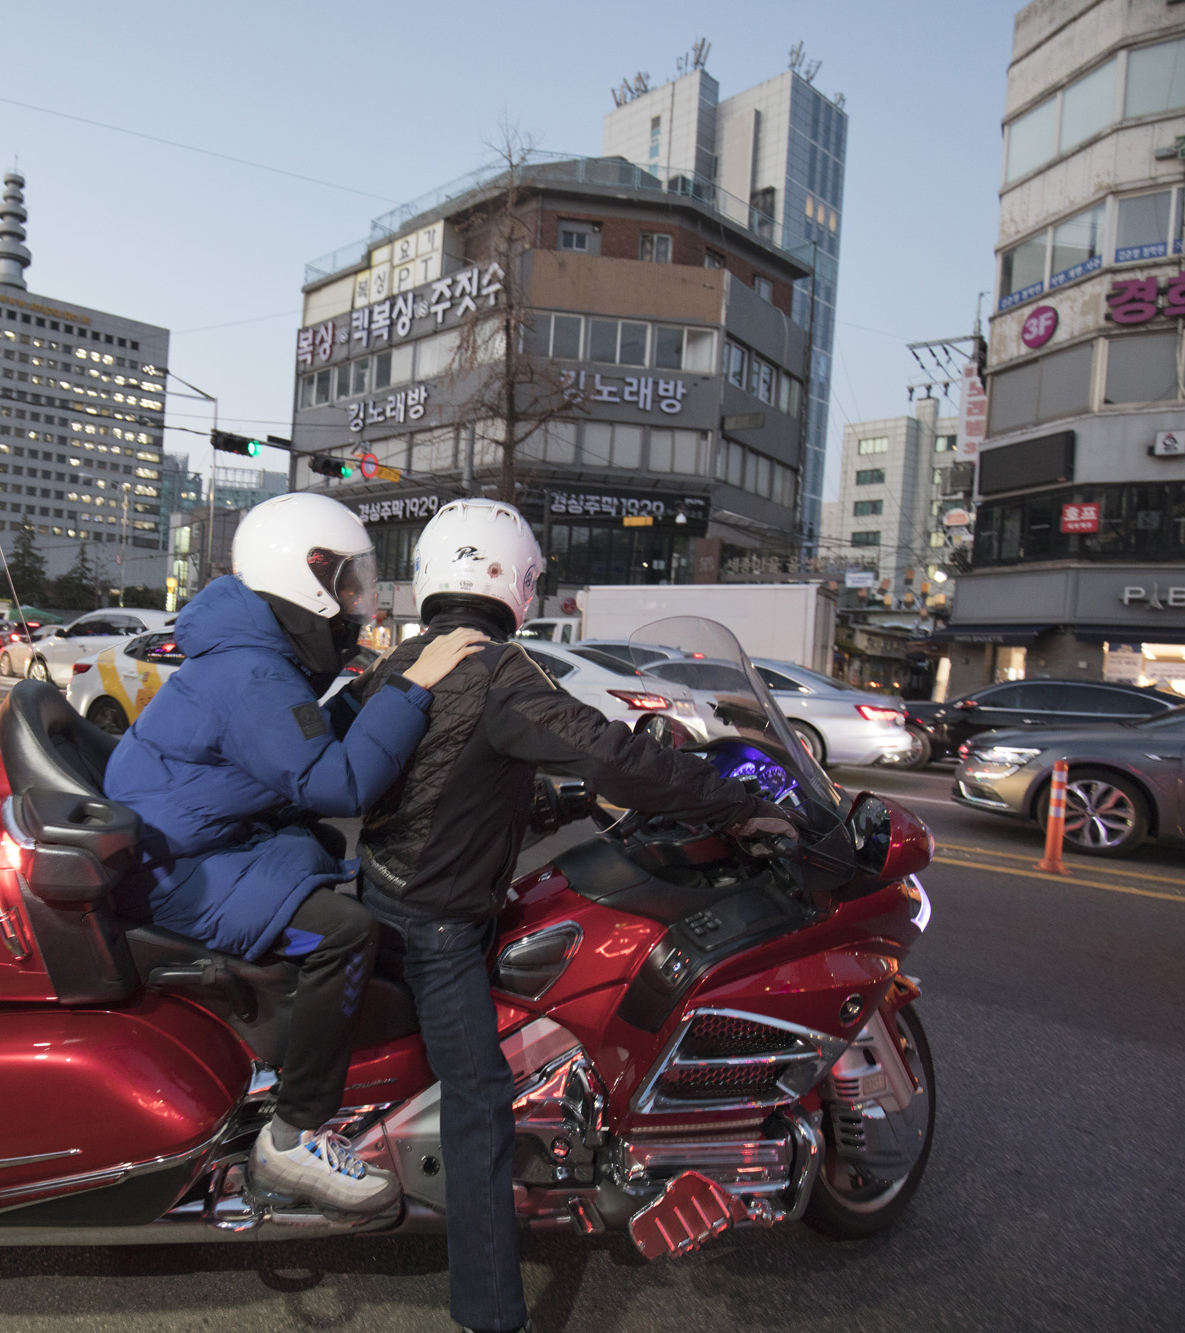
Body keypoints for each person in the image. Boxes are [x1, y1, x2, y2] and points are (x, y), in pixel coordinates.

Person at [345, 499, 797, 1333]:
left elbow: (455, 784)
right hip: (437, 923)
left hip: (386, 890)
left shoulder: (406, 661)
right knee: (480, 1099)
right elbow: (612, 751)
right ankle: (490, 1314)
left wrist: (567, 802)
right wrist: (734, 800)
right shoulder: (497, 669)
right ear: (516, 580)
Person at [102, 493, 485, 1215]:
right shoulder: (252, 675)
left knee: (329, 879)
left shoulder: (256, 658)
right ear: (302, 580)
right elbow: (338, 783)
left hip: (194, 847)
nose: (355, 601)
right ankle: (292, 1137)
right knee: (343, 934)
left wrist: (376, 686)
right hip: (178, 873)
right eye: (344, 581)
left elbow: (304, 736)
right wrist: (409, 689)